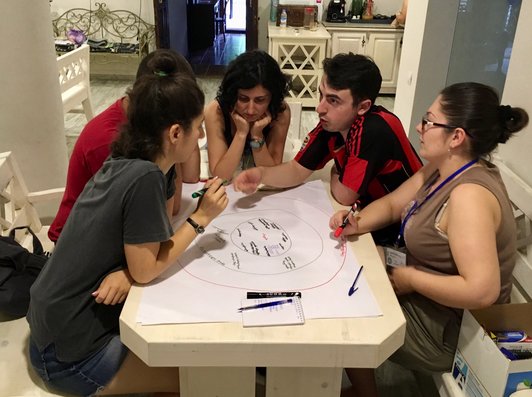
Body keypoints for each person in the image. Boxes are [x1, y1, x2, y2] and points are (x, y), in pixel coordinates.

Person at [27, 54, 229, 396]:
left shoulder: (135, 158)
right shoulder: (144, 177)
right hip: (65, 357)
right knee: (207, 380)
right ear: (176, 132)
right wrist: (202, 218)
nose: (200, 138)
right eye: (197, 128)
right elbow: (147, 269)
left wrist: (129, 270)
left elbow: (160, 228)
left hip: (50, 328)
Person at [331, 82, 528, 397]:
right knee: (345, 269)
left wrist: (410, 278)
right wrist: (357, 221)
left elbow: (482, 291)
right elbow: (394, 204)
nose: (419, 127)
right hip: (431, 302)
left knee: (344, 312)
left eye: (429, 121)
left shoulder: (469, 196)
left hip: (452, 331)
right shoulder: (443, 168)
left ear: (456, 137)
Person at [233, 53, 422, 245]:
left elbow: (345, 195)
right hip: (369, 217)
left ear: (363, 107)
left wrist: (335, 171)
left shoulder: (373, 128)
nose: (319, 108)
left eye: (333, 100)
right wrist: (260, 174)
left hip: (405, 230)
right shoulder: (333, 124)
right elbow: (297, 170)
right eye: (321, 94)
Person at [48, 48, 201, 244]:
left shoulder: (149, 124)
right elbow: (171, 209)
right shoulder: (111, 142)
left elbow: (190, 178)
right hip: (81, 242)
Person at [204, 49, 291, 181]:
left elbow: (272, 177)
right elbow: (220, 177)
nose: (250, 110)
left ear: (272, 98)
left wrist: (257, 136)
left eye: (260, 100)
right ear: (233, 94)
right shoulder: (215, 111)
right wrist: (241, 134)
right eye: (243, 99)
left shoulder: (280, 112)